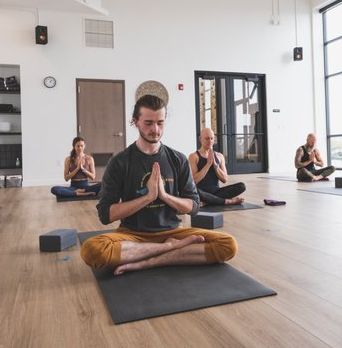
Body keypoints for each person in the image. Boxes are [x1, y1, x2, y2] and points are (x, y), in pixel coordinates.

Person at [80, 94, 237, 276]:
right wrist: (148, 197)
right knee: (93, 250)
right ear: (135, 121)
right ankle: (172, 249)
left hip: (172, 232)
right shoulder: (119, 162)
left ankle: (148, 261)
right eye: (148, 123)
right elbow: (106, 215)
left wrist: (164, 196)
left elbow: (193, 207)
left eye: (160, 122)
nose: (155, 129)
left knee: (228, 244)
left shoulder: (178, 159)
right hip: (132, 235)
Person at [188, 128, 246, 206]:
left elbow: (225, 179)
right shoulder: (193, 156)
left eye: (212, 138)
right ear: (200, 139)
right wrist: (208, 165)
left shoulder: (219, 156)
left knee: (241, 186)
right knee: (192, 190)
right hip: (201, 193)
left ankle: (208, 202)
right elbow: (194, 181)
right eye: (207, 138)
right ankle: (227, 201)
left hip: (216, 191)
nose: (210, 141)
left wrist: (216, 166)